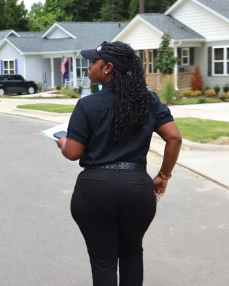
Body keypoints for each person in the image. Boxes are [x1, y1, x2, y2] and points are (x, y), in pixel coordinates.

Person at [56, 41, 182, 285]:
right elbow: (174, 138)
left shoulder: (87, 105)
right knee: (132, 252)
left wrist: (62, 141)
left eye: (93, 62)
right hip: (137, 189)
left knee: (103, 261)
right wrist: (163, 176)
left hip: (94, 190)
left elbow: (72, 152)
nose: (89, 66)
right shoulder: (148, 101)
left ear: (108, 68)